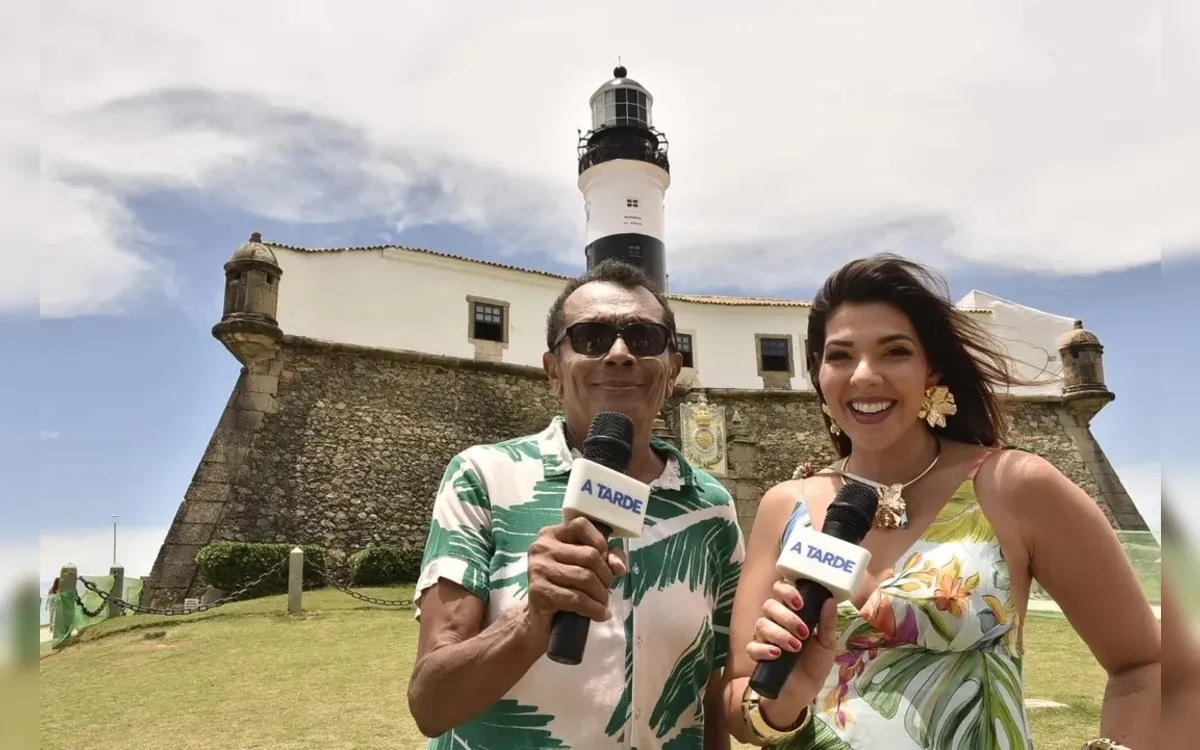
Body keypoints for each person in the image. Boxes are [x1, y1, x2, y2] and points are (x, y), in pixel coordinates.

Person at [720, 254, 1160, 749]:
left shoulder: (1014, 486)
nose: (864, 375)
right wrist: (784, 699)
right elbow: (741, 700)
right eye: (840, 356)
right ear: (819, 375)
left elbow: (1146, 664)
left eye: (895, 352)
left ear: (931, 369)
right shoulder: (786, 506)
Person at [408, 259, 745, 749]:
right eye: (591, 337)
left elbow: (710, 694)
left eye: (645, 339)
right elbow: (430, 705)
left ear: (672, 371)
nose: (620, 353)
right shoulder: (484, 477)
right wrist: (531, 622)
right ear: (553, 372)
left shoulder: (712, 508)